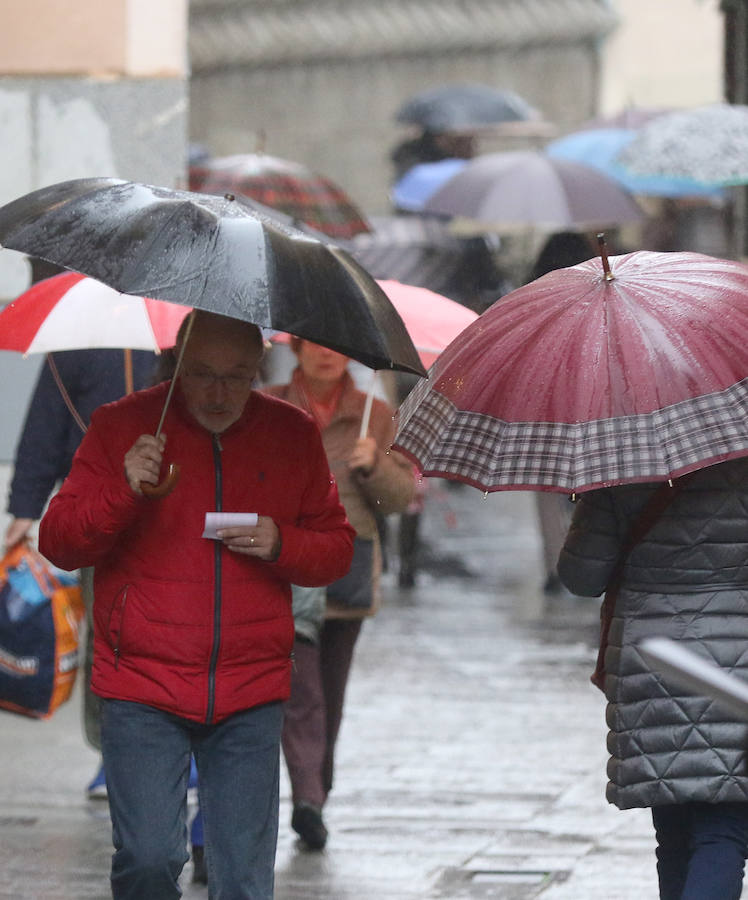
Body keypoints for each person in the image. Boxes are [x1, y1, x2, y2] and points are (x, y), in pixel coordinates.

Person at [38, 311, 355, 900]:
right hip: (140, 681)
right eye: (203, 373)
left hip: (250, 684)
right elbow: (59, 542)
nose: (218, 393)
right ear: (176, 363)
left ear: (259, 368)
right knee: (148, 858)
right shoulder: (122, 425)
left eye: (236, 376)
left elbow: (336, 549)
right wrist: (122, 490)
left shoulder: (291, 433)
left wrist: (282, 542)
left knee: (243, 880)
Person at [557, 457, 748, 900]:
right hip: (737, 662)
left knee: (674, 834)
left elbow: (581, 576)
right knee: (724, 830)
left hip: (654, 662)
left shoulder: (621, 457)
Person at [264, 338, 415, 849]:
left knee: (331, 693)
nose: (325, 354)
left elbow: (398, 500)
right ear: (295, 346)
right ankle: (308, 794)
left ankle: (316, 792)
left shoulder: (375, 413)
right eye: (314, 344)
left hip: (349, 565)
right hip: (291, 564)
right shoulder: (271, 405)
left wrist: (375, 467)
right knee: (302, 690)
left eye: (335, 346)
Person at [4, 346, 158, 796]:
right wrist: (25, 507)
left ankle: (178, 750)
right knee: (109, 635)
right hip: (99, 514)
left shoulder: (188, 333)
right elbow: (46, 421)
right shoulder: (79, 343)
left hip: (174, 512)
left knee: (173, 634)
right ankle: (112, 752)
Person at [527, 231, 594, 594]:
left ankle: (556, 567)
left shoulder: (533, 299)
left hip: (546, 407)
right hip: (591, 404)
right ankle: (589, 556)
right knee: (592, 487)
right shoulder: (596, 295)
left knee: (548, 490)